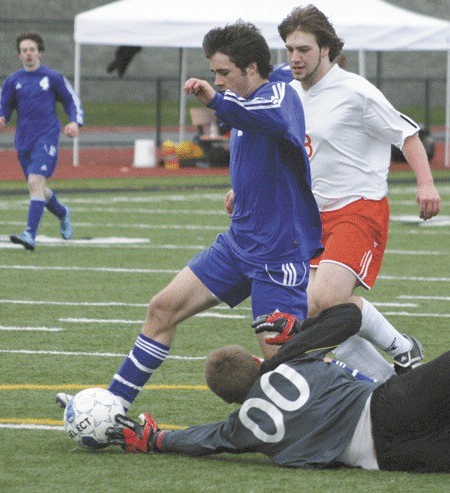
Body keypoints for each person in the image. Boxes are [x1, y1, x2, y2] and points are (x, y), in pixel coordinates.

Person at [57, 21, 322, 412]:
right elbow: (264, 146)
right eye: (214, 72)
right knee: (163, 307)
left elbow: (272, 119)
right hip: (238, 243)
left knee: (285, 365)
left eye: (224, 72)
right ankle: (111, 405)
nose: (217, 80)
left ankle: (360, 392)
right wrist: (242, 189)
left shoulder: (278, 93)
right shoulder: (246, 100)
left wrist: (217, 99)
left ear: (251, 68)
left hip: (277, 257)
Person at [106, 304, 450, 474]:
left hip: (391, 460)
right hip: (389, 410)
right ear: (258, 362)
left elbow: (204, 439)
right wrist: (299, 334)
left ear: (232, 400)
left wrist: (155, 439)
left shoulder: (241, 429)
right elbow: (352, 316)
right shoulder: (286, 360)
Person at [269, 5, 441, 380]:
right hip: (312, 219)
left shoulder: (355, 91)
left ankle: (401, 346)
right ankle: (387, 385)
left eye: (304, 50)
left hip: (357, 208)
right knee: (315, 315)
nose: (295, 58)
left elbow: (408, 135)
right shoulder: (288, 92)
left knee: (327, 300)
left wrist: (425, 183)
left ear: (326, 49)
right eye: (290, 49)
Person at [0, 32, 83, 251]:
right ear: (19, 55)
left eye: (32, 49)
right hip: (24, 139)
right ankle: (62, 212)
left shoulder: (52, 77)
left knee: (34, 182)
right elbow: (3, 103)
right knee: (39, 187)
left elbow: (71, 101)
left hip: (47, 135)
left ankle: (30, 235)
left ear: (40, 52)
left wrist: (74, 122)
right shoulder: (14, 80)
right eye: (24, 50)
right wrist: (0, 117)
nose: (28, 54)